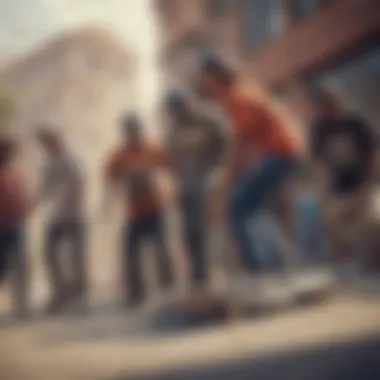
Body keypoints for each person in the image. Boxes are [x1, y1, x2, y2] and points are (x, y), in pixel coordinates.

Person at [196, 55, 301, 273]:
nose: (201, 82)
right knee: (252, 207)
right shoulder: (237, 95)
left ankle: (261, 272)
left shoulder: (237, 97)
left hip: (281, 152)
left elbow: (241, 142)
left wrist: (225, 177)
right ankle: (281, 263)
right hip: (280, 152)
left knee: (238, 207)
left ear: (215, 77)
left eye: (204, 77)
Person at [104, 115, 174, 306]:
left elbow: (169, 167)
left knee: (162, 249)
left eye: (134, 129)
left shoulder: (151, 149)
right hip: (134, 210)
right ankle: (136, 292)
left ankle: (168, 287)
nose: (132, 133)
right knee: (130, 251)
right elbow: (109, 177)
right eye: (129, 130)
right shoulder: (120, 155)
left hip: (155, 206)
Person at [164, 92, 227, 287]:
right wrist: (176, 182)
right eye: (174, 112)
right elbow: (173, 157)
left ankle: (217, 270)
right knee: (189, 230)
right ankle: (198, 274)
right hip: (187, 185)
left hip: (210, 180)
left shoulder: (208, 120)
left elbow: (225, 144)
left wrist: (219, 172)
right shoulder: (174, 129)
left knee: (208, 228)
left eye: (180, 109)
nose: (179, 115)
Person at [309, 90, 377, 271]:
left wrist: (367, 186)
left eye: (333, 106)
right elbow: (318, 163)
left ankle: (372, 260)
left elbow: (373, 155)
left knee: (369, 223)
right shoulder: (320, 130)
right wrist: (323, 191)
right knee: (332, 224)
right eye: (324, 108)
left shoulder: (356, 124)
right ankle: (345, 261)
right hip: (338, 187)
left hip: (363, 182)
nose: (331, 111)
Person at [33, 126, 86, 314]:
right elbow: (44, 189)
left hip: (73, 215)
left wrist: (73, 211)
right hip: (56, 215)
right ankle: (61, 291)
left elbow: (79, 186)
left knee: (76, 256)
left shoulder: (70, 160)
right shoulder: (48, 163)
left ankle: (78, 294)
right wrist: (32, 205)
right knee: (50, 254)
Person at [0, 136, 29, 318]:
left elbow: (20, 197)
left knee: (19, 265)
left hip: (15, 225)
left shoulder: (15, 173)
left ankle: (21, 304)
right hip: (2, 225)